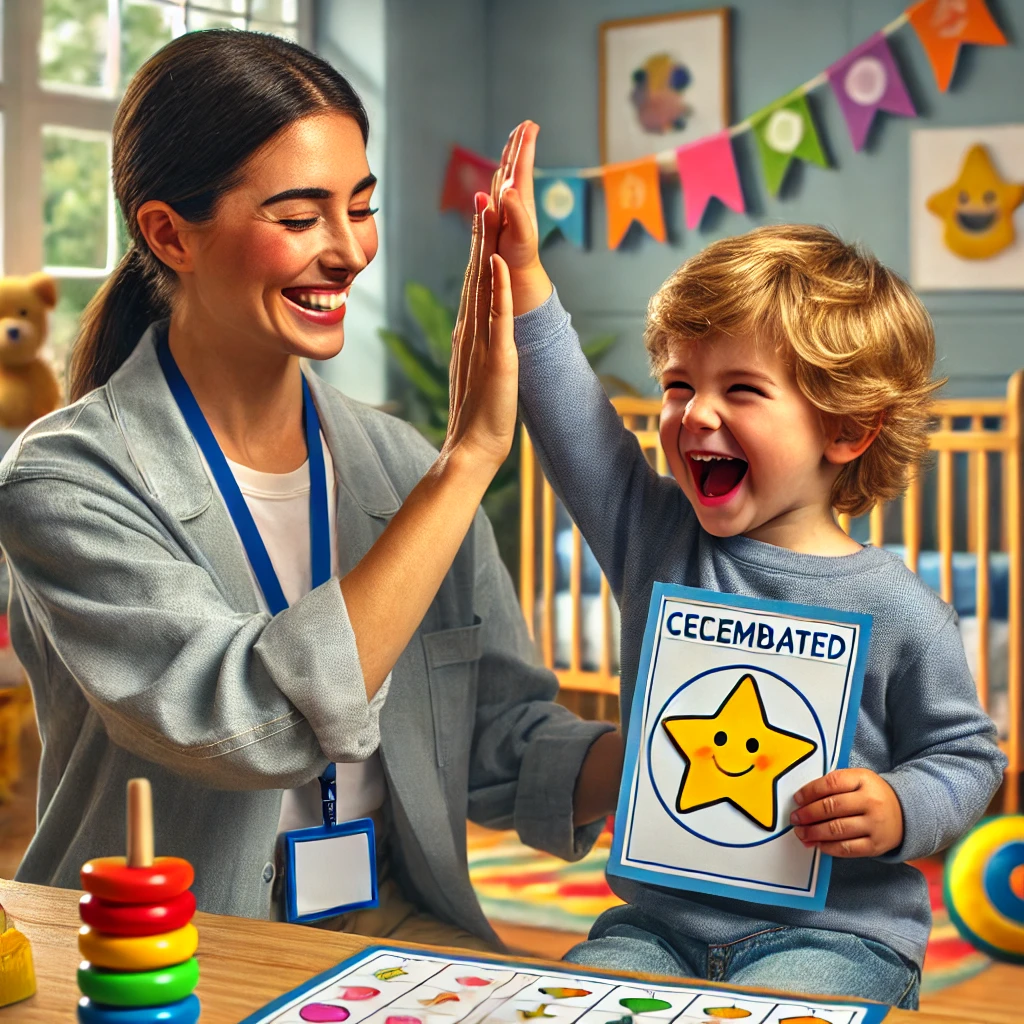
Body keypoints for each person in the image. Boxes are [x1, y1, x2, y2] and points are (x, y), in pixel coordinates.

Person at [0, 36, 623, 950]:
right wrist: (469, 462)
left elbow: (497, 738)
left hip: (392, 931)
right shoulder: (67, 478)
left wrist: (670, 755)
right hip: (171, 949)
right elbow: (249, 727)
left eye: (361, 208)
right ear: (169, 232)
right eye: (300, 218)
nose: (348, 253)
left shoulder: (400, 462)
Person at [483, 120, 1006, 1005]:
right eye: (680, 383)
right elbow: (571, 417)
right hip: (653, 928)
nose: (693, 414)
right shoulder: (655, 539)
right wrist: (526, 274)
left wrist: (899, 809)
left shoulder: (901, 608)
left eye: (742, 390)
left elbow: (968, 757)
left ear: (845, 428)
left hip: (839, 938)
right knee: (570, 1002)